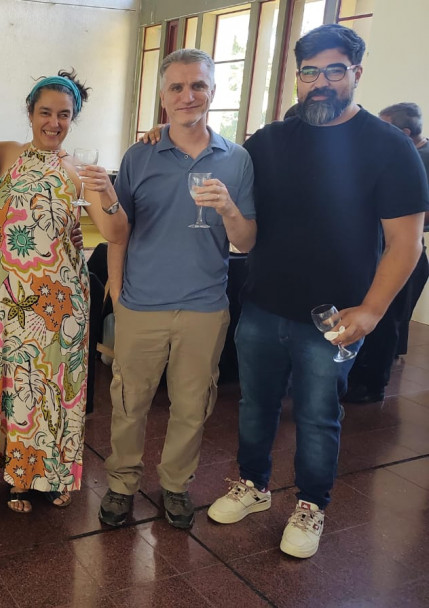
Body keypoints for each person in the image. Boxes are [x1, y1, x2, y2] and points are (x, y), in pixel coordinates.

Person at [205, 25, 428, 559]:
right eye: (310, 72)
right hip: (262, 304)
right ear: (297, 78)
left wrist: (373, 311)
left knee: (317, 414)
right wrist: (164, 134)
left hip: (334, 318)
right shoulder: (271, 140)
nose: (321, 83)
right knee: (255, 405)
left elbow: (405, 244)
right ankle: (253, 486)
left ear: (356, 73)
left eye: (334, 71)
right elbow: (219, 161)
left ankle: (310, 505)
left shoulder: (390, 147)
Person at [97, 49, 256, 530]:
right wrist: (119, 294)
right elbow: (119, 230)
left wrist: (228, 208)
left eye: (198, 86)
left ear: (212, 90)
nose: (188, 96)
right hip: (141, 304)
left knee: (192, 406)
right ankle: (122, 484)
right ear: (162, 98)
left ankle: (176, 486)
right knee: (129, 403)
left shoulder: (237, 159)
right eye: (177, 88)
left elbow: (245, 240)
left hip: (205, 307)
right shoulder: (140, 155)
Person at [0, 71, 128, 512]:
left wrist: (108, 192)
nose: (53, 122)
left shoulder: (81, 171)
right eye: (45, 112)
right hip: (9, 299)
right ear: (29, 113)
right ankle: (21, 477)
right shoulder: (6, 154)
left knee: (59, 390)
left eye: (64, 115)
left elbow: (115, 232)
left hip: (60, 300)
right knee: (19, 386)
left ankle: (60, 471)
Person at [342, 102, 429, 403]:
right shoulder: (392, 153)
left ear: (404, 132)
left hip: (405, 250)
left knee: (388, 318)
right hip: (379, 246)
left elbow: (414, 218)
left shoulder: (416, 158)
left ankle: (374, 385)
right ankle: (357, 377)